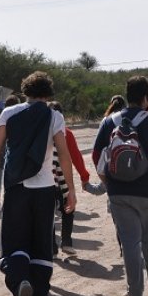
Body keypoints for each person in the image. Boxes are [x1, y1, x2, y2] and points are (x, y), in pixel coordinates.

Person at [0, 72, 76, 296]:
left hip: (16, 188)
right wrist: (71, 190)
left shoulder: (8, 113)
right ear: (48, 94)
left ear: (25, 91)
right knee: (40, 245)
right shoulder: (54, 116)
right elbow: (64, 155)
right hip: (45, 189)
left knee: (14, 242)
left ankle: (20, 282)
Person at [91, 76, 148, 296]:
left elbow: (96, 155)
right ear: (146, 98)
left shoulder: (109, 122)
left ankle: (134, 290)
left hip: (119, 192)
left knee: (130, 241)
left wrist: (108, 180)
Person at [48, 101, 91, 256]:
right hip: (63, 179)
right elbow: (76, 157)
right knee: (68, 209)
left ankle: (52, 247)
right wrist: (84, 176)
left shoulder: (42, 132)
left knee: (48, 213)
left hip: (46, 180)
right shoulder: (66, 133)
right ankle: (66, 242)